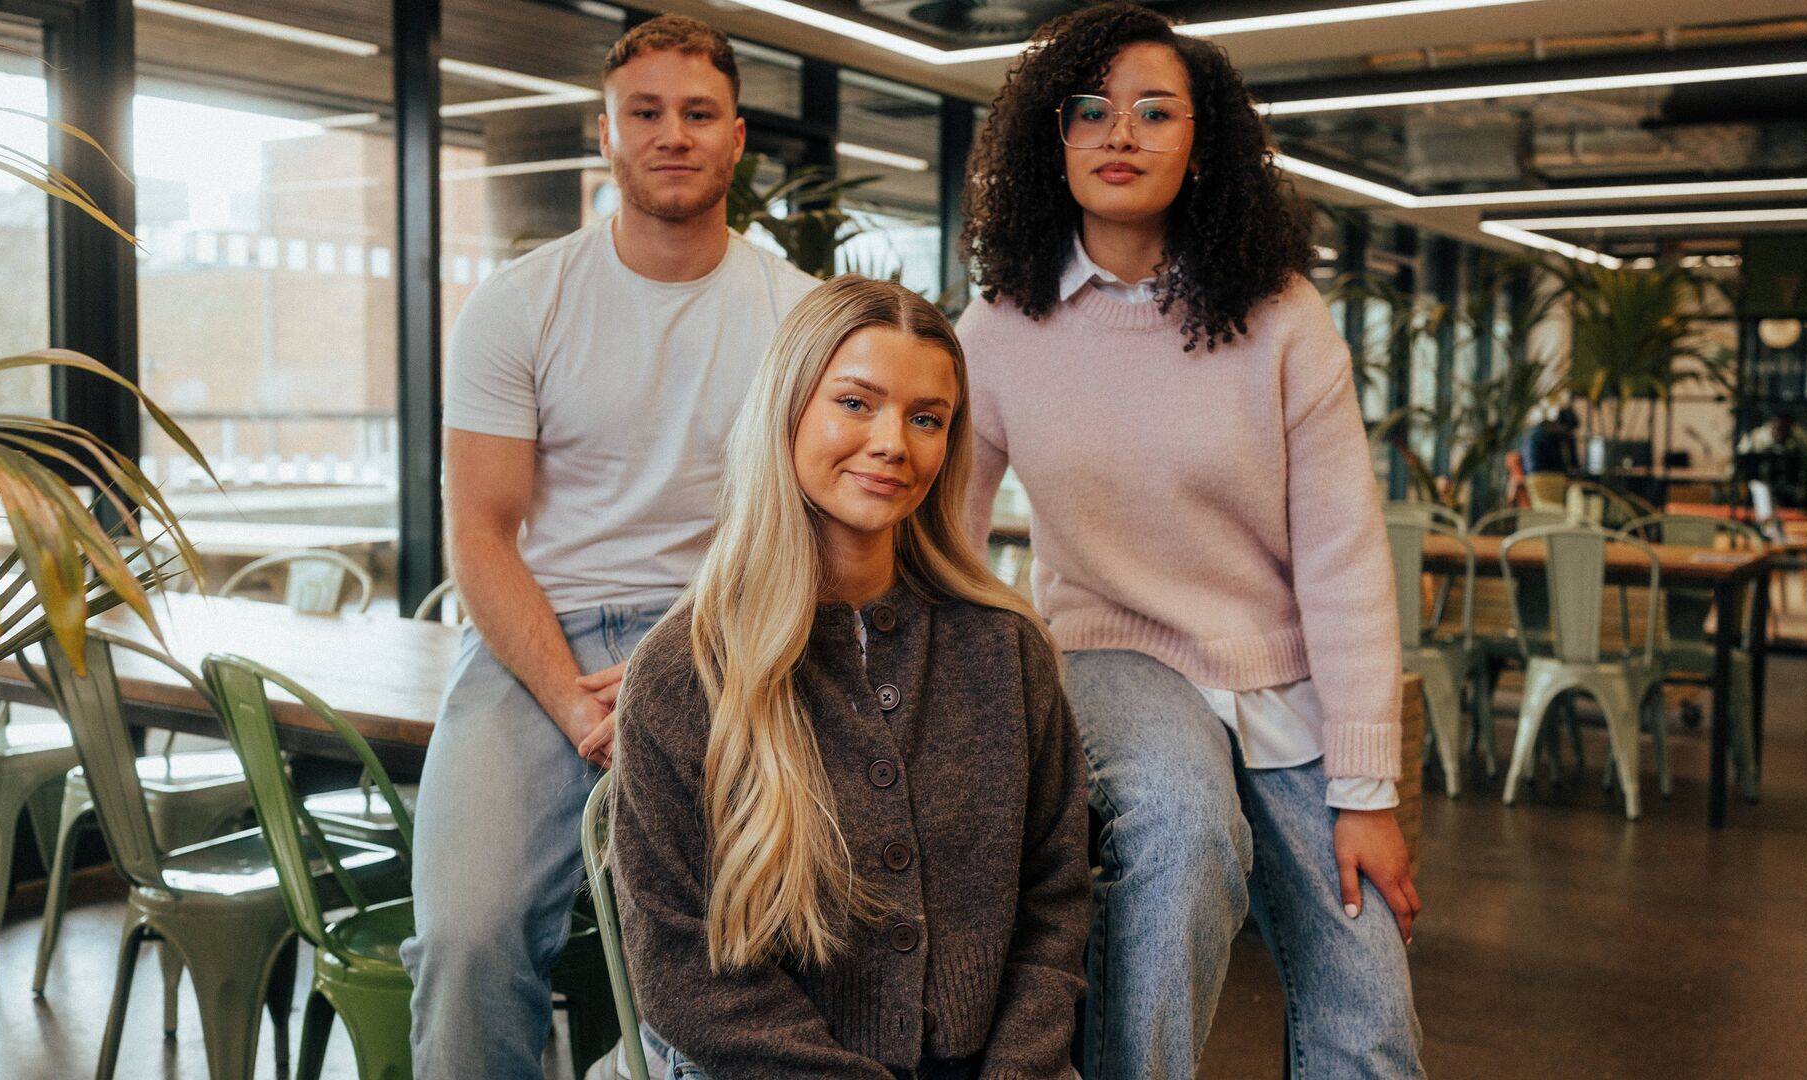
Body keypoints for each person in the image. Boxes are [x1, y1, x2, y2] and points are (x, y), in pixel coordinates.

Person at [956, 5, 1423, 1078]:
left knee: (1371, 1006)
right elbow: (944, 535)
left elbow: (1346, 561)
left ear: (1202, 145)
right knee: (1184, 826)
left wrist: (1367, 794)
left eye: (1154, 111)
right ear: (1055, 139)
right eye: (1091, 110)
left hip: (1282, 677)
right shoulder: (998, 328)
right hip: (1112, 656)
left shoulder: (1282, 315)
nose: (1120, 133)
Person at [401, 16, 818, 1076]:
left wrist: (695, 660)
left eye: (698, 114)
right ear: (605, 134)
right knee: (467, 935)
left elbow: (806, 536)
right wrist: (574, 701)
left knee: (767, 932)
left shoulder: (801, 318)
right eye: (646, 113)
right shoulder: (519, 304)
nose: (671, 134)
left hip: (729, 638)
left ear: (736, 142)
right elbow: (483, 536)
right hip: (543, 643)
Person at [611, 275, 1091, 1080]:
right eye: (857, 403)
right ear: (790, 407)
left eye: (926, 418)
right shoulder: (681, 672)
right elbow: (683, 972)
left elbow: (1054, 904)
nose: (893, 444)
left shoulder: (1006, 649)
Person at [1521, 404, 1581, 477]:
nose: (1569, 434)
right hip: (1541, 477)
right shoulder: (1544, 436)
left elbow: (1572, 464)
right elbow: (1554, 465)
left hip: (1535, 475)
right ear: (1559, 424)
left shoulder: (1544, 431)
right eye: (1568, 430)